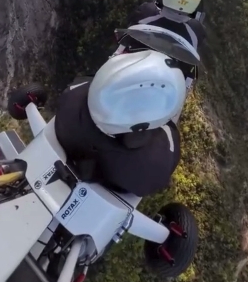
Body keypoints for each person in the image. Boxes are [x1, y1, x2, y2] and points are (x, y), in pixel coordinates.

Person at [54, 49, 185, 199]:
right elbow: (158, 172)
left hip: (72, 139)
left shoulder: (71, 98)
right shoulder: (151, 167)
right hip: (113, 185)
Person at [114, 0, 207, 95]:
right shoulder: (196, 30)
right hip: (167, 89)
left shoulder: (146, 12)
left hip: (129, 73)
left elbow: (130, 26)